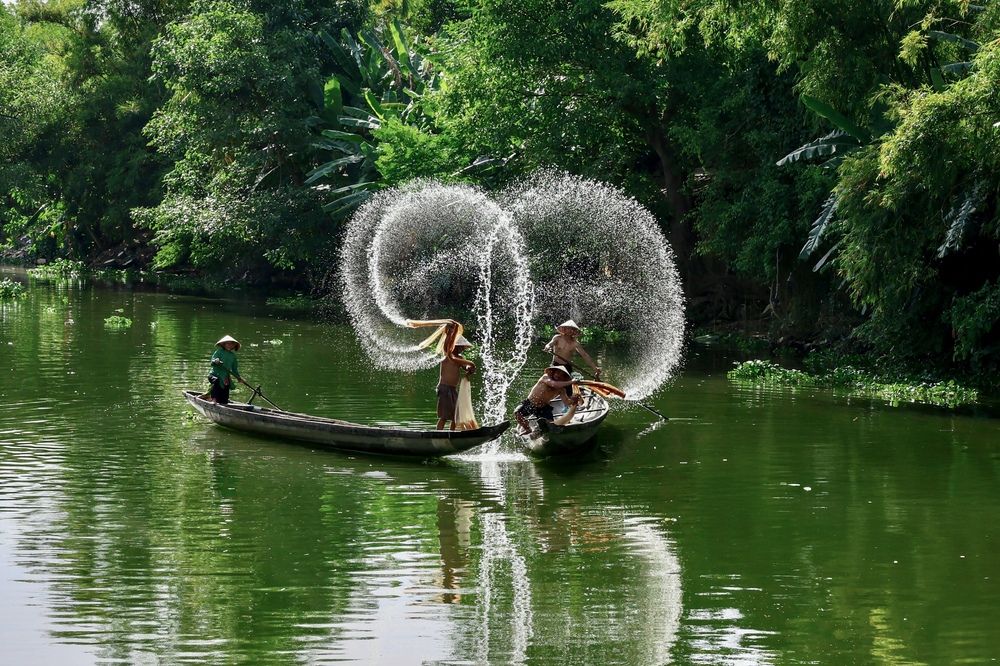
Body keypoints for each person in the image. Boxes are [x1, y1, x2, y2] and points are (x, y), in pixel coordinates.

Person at [514, 365, 581, 435]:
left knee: (550, 425)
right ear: (553, 372)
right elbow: (554, 384)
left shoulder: (561, 389)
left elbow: (566, 402)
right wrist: (572, 382)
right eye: (557, 373)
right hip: (531, 403)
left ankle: (541, 432)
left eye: (561, 375)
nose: (558, 375)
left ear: (564, 378)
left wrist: (573, 400)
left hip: (544, 407)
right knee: (517, 413)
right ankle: (527, 429)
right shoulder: (545, 377)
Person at [437, 334, 476, 430]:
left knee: (456, 415)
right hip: (444, 388)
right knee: (444, 416)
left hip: (453, 389)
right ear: (453, 346)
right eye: (459, 347)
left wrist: (469, 368)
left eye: (462, 348)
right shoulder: (447, 356)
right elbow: (447, 345)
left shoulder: (460, 358)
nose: (461, 349)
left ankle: (451, 433)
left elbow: (465, 367)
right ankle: (438, 434)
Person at [208, 335, 243, 405]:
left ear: (234, 345)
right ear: (224, 344)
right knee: (216, 381)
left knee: (224, 398)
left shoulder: (233, 356)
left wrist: (239, 378)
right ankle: (213, 399)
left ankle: (224, 403)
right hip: (214, 375)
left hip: (225, 377)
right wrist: (216, 361)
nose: (229, 345)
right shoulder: (219, 352)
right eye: (228, 343)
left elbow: (234, 370)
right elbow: (212, 362)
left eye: (231, 344)